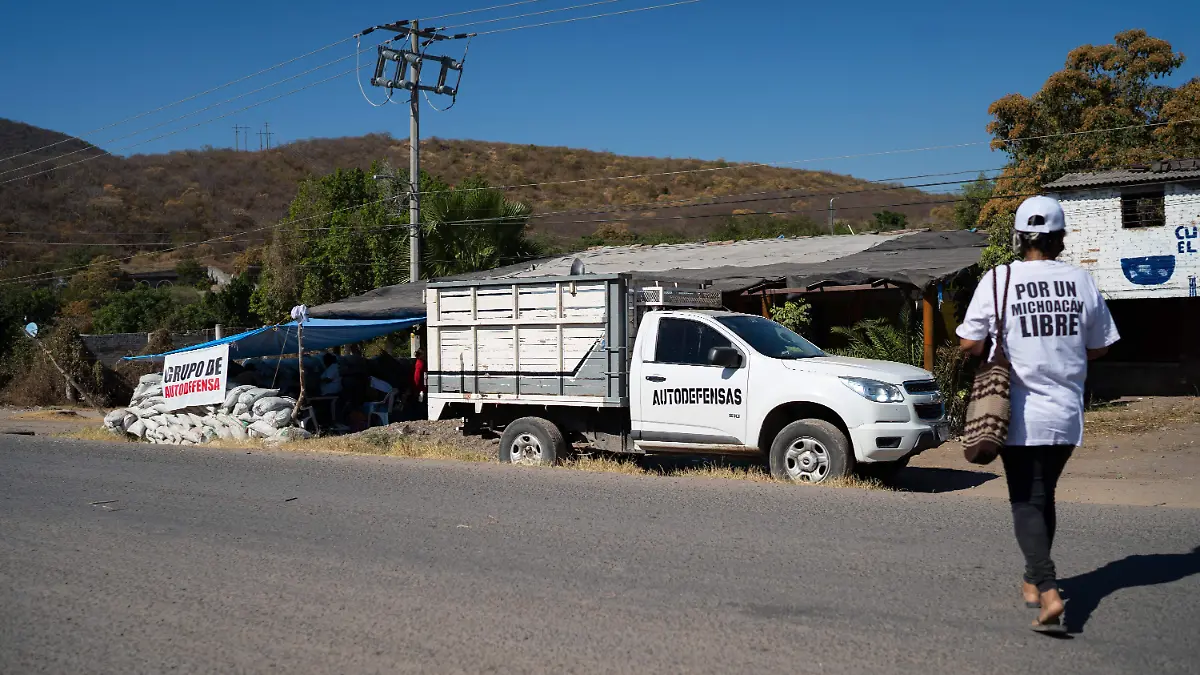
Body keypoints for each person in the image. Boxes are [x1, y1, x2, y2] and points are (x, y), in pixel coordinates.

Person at [957, 195, 1120, 633]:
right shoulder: (1080, 281)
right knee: (1042, 495)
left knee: (1025, 501)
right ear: (1060, 237)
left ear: (1018, 236)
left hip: (1017, 412)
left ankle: (1048, 591)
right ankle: (1032, 579)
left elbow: (970, 344)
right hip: (1066, 412)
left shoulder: (998, 279)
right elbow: (1101, 345)